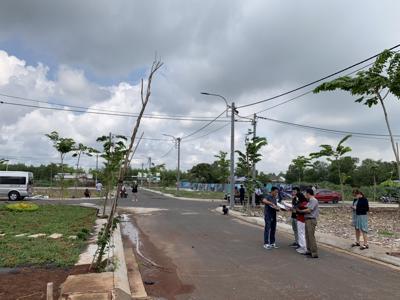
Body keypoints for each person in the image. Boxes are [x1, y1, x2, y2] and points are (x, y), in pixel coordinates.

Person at [297, 188, 319, 258]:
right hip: (307, 219)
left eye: (305, 193)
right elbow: (306, 207)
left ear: (308, 193)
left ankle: (314, 253)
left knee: (311, 236)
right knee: (307, 236)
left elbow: (309, 210)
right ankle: (309, 250)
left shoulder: (313, 200)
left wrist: (300, 211)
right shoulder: (310, 201)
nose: (305, 195)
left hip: (311, 220)